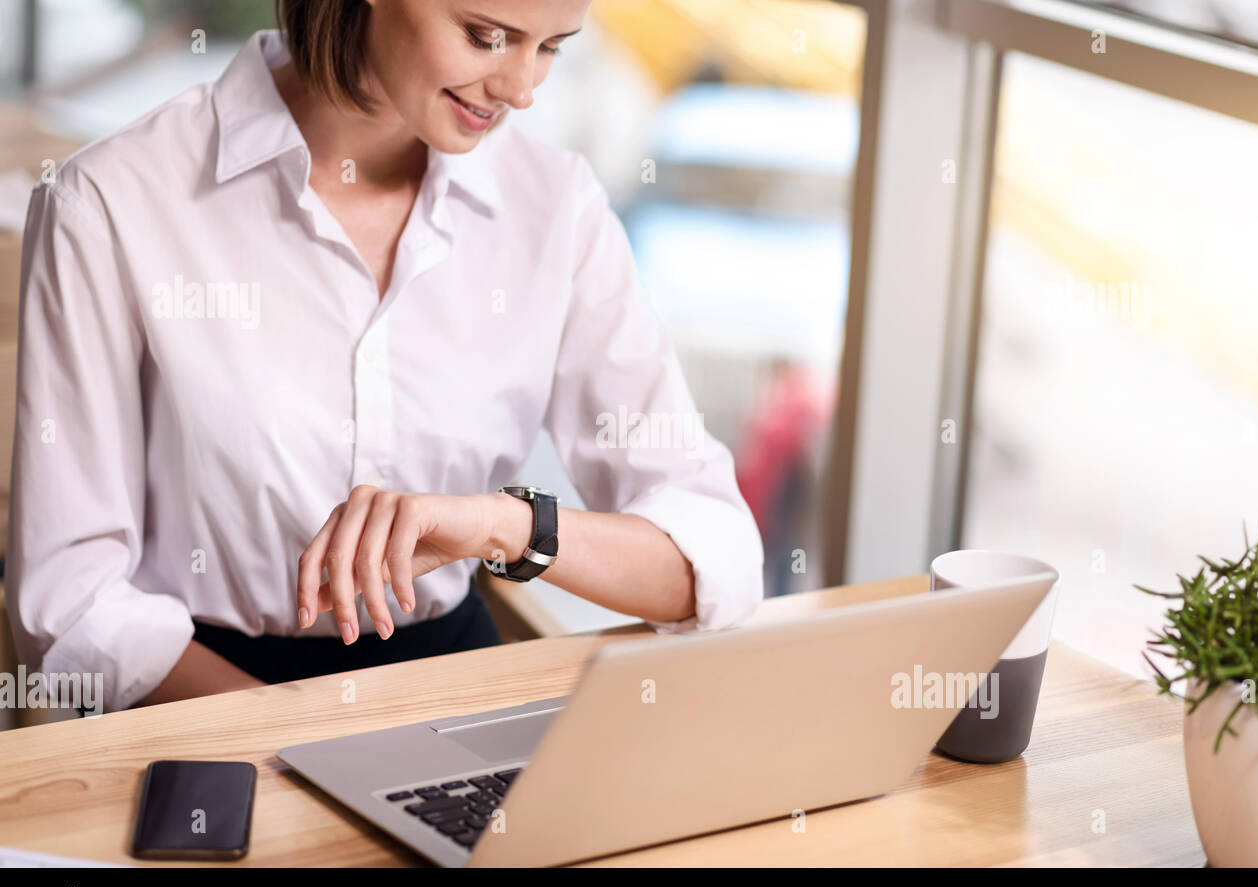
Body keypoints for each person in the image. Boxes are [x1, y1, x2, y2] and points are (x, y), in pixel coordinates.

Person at [7, 0, 764, 713]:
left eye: (551, 49)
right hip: (198, 703)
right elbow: (68, 603)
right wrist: (297, 742)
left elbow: (715, 554)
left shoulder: (555, 207)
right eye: (486, 36)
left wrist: (507, 526)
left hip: (449, 694)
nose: (521, 89)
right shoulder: (111, 201)